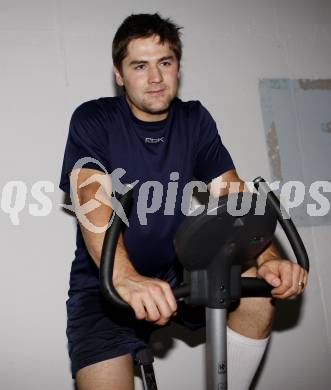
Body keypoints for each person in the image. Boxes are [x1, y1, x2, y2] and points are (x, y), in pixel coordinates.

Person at [59, 13, 308, 390]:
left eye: (165, 63)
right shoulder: (93, 119)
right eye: (140, 66)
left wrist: (271, 257)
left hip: (177, 269)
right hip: (104, 281)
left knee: (257, 290)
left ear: (177, 66)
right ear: (119, 73)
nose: (155, 78)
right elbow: (92, 199)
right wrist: (125, 279)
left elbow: (233, 197)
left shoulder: (194, 120)